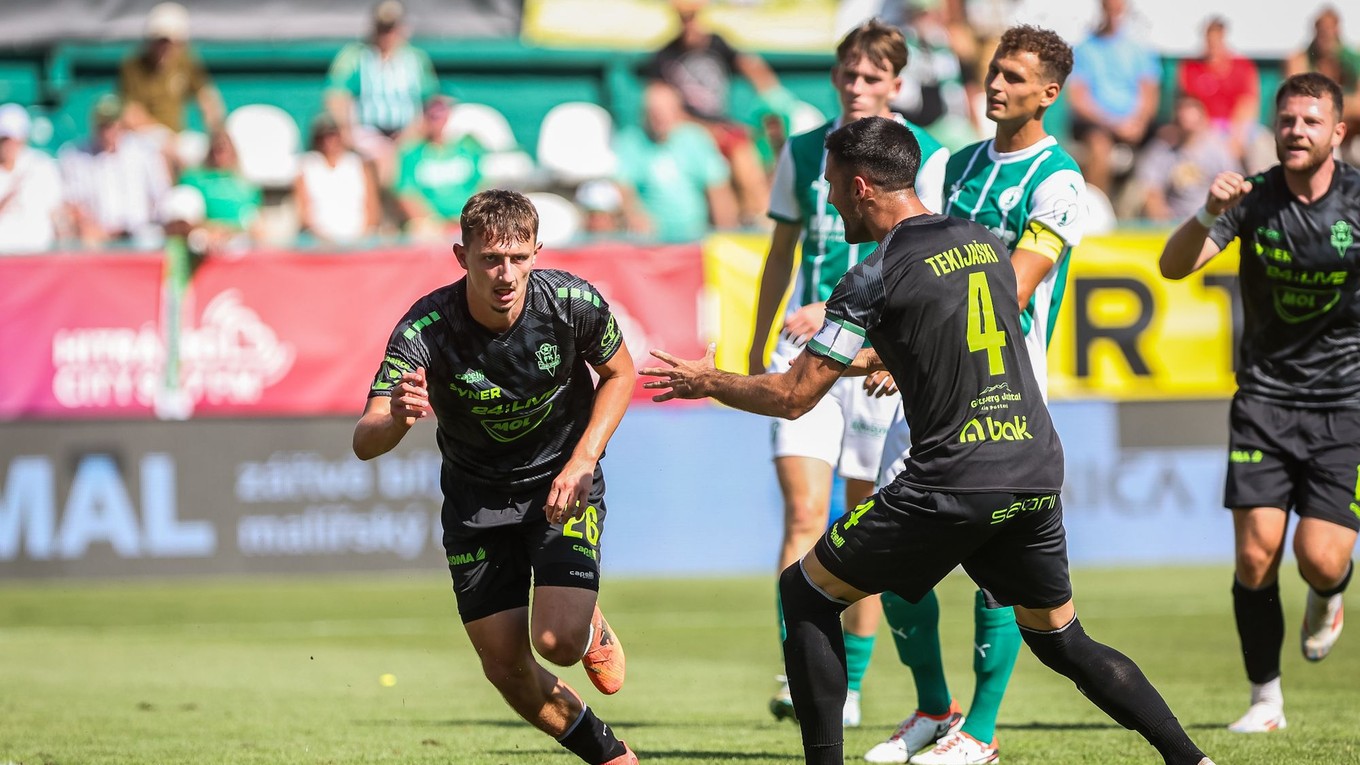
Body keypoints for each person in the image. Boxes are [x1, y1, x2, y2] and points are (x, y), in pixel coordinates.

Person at [642, 115, 1215, 765]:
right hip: (1032, 462)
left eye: (831, 187)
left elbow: (795, 397)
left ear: (861, 187)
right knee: (1061, 638)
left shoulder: (871, 276)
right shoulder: (980, 243)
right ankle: (1191, 759)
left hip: (955, 475)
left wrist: (709, 379)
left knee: (805, 591)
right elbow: (949, 339)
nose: (828, 201)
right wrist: (884, 359)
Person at [864, 24, 1087, 765]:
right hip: (930, 390)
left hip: (1005, 395)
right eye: (995, 71)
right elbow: (919, 268)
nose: (997, 85)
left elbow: (1012, 284)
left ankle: (982, 732)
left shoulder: (1059, 181)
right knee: (891, 557)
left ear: (1049, 95)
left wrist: (913, 344)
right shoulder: (953, 164)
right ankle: (934, 706)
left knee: (998, 572)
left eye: (1016, 78)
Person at [352, 189, 638, 765]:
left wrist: (584, 459)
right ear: (462, 257)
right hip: (475, 503)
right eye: (490, 259)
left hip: (561, 486)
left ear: (537, 252)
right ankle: (610, 756)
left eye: (518, 258)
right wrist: (401, 418)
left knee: (554, 642)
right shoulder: (424, 329)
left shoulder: (570, 301)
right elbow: (366, 439)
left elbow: (620, 373)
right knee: (504, 666)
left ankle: (579, 622)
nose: (505, 274)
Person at [745, 18, 950, 730]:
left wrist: (899, 352)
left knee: (863, 520)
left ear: (897, 83)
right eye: (847, 75)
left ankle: (852, 681)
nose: (857, 87)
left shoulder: (930, 155)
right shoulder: (804, 149)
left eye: (871, 77)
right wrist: (756, 338)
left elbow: (936, 256)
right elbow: (780, 250)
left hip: (875, 352)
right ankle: (797, 661)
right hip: (807, 343)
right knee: (803, 511)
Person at [1158, 72, 1358, 735]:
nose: (1296, 130)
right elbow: (1173, 267)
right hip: (1265, 400)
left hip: (1346, 404)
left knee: (1322, 557)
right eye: (1287, 120)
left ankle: (1328, 594)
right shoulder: (1249, 199)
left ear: (1338, 132)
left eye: (1310, 121)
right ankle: (1266, 698)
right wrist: (1206, 212)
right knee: (1254, 557)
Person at [643, 0, 781, 223]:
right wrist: (705, 128)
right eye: (684, 17)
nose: (689, 23)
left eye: (693, 17)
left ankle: (758, 214)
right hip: (689, 128)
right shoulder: (665, 56)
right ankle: (733, 222)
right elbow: (662, 104)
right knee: (724, 152)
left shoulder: (717, 44)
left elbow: (751, 66)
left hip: (721, 125)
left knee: (744, 149)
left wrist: (771, 97)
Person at [325, 0, 439, 184]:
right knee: (382, 159)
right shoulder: (355, 56)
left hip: (408, 132)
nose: (388, 35)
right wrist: (346, 131)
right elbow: (337, 95)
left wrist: (413, 133)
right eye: (383, 29)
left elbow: (430, 101)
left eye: (392, 29)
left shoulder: (416, 59)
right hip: (367, 132)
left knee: (407, 159)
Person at [613, 81, 738, 243]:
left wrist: (726, 236)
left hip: (695, 239)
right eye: (654, 112)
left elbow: (718, 189)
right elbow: (623, 187)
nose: (660, 117)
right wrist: (635, 216)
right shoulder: (631, 142)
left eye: (665, 111)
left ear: (678, 111)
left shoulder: (695, 139)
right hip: (648, 243)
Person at [1065, 0, 1160, 195]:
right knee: (1099, 147)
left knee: (1164, 148)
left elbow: (1149, 93)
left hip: (1136, 126)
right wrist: (1113, 124)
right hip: (1098, 124)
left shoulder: (1139, 48)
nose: (1114, 14)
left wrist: (1139, 122)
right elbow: (1078, 99)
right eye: (1110, 8)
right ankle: (1096, 210)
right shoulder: (1085, 48)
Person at [58, 95, 171, 248]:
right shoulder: (75, 156)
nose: (108, 130)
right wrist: (88, 226)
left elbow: (160, 195)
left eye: (112, 124)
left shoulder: (145, 151)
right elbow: (72, 202)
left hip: (140, 236)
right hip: (98, 240)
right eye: (103, 125)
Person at [1175, 16, 1267, 170]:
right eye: (1209, 40)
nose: (1213, 45)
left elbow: (1248, 104)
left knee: (1261, 146)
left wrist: (1237, 137)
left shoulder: (1243, 66)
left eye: (1217, 40)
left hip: (1237, 128)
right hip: (1205, 128)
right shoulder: (1190, 67)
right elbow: (1188, 105)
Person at [1134, 96, 1240, 224]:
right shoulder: (1162, 150)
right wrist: (1161, 220)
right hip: (1173, 223)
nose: (1187, 130)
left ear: (1203, 122)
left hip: (1211, 220)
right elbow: (1150, 191)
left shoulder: (1219, 151)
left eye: (1193, 125)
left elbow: (1235, 187)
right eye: (1182, 123)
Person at [394, 96, 485, 241]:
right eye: (433, 116)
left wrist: (468, 217)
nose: (439, 123)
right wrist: (436, 223)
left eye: (443, 115)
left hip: (468, 220)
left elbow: (481, 187)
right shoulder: (412, 154)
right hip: (430, 225)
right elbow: (407, 194)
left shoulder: (468, 149)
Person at [1284, 7, 1360, 163]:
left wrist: (1328, 110)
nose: (1325, 35)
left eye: (1330, 29)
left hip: (1351, 131)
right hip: (1315, 131)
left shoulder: (1353, 60)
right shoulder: (1299, 59)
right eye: (1322, 29)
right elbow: (1298, 101)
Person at [294, 114, 379, 245]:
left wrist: (362, 238)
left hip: (360, 241)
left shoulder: (359, 164)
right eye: (324, 137)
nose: (329, 141)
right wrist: (324, 241)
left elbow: (372, 207)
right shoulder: (307, 166)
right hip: (320, 243)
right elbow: (303, 211)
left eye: (333, 135)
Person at [177, 128, 265, 249]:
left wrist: (229, 232)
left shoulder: (245, 184)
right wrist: (211, 229)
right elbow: (184, 220)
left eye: (224, 150)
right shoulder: (195, 179)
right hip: (204, 238)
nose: (220, 155)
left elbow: (254, 221)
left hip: (238, 239)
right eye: (217, 150)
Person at [0, 103, 63, 253]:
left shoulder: (42, 166)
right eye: (5, 139)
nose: (10, 144)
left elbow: (57, 213)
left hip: (38, 258)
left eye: (15, 139)